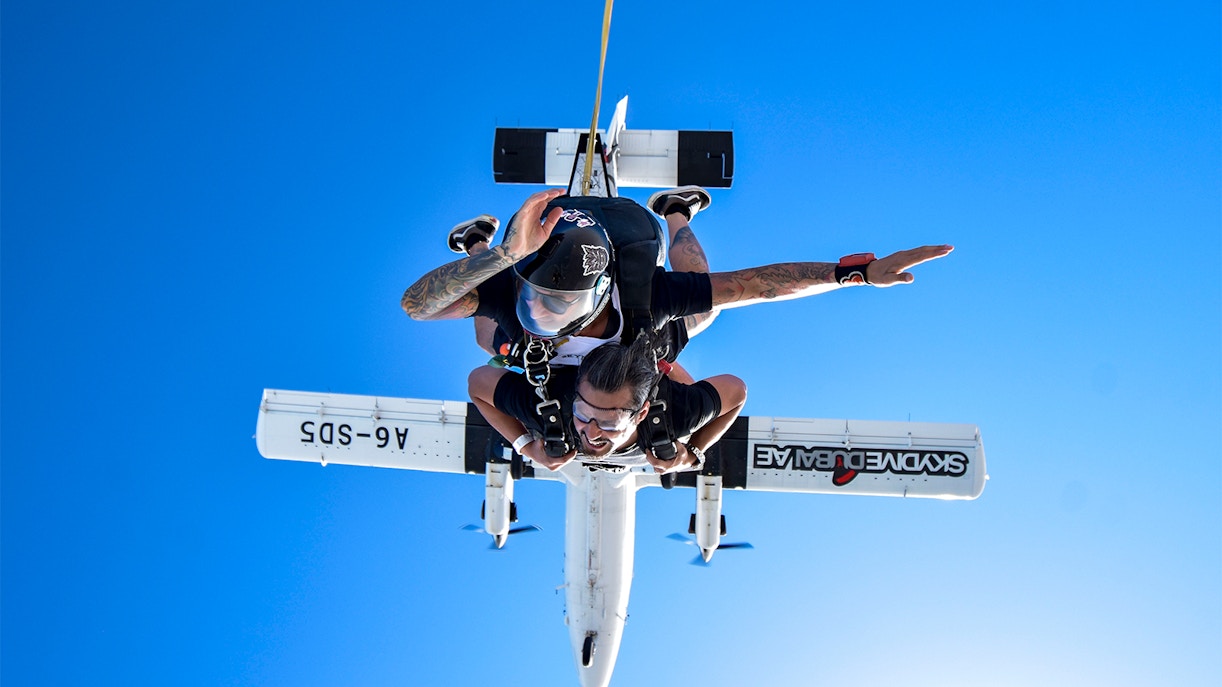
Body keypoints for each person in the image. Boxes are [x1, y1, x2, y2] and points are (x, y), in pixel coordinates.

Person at [401, 187, 954, 355]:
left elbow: (753, 286)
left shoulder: (644, 292)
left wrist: (854, 273)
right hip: (525, 277)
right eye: (538, 298)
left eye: (559, 302)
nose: (544, 311)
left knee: (708, 309)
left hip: (641, 299)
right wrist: (500, 257)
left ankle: (674, 213)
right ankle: (478, 243)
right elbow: (414, 306)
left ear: (600, 293)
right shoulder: (517, 293)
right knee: (488, 330)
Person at [469, 333, 747, 474]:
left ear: (641, 414)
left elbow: (737, 392)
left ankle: (678, 217)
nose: (591, 432)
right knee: (488, 339)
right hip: (583, 349)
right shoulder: (551, 404)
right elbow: (478, 382)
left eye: (609, 423)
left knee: (488, 340)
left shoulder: (677, 412)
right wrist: (524, 446)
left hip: (642, 369)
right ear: (574, 397)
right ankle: (478, 246)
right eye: (582, 413)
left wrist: (693, 454)